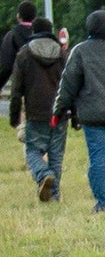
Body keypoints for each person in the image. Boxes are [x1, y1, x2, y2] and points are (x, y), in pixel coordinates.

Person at [55, 10, 105, 211]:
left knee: (97, 155)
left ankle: (102, 201)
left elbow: (68, 84)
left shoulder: (80, 51)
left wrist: (59, 109)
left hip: (91, 113)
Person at [7, 16, 64, 201]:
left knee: (33, 151)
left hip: (35, 112)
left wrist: (14, 116)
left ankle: (42, 174)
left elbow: (16, 89)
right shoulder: (62, 54)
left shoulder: (24, 53)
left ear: (34, 31)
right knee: (56, 154)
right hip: (59, 112)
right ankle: (54, 195)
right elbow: (70, 84)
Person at [0, 0, 35, 88]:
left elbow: (6, 66)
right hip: (43, 86)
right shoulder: (42, 34)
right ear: (35, 17)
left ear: (18, 16)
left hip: (20, 85)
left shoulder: (11, 36)